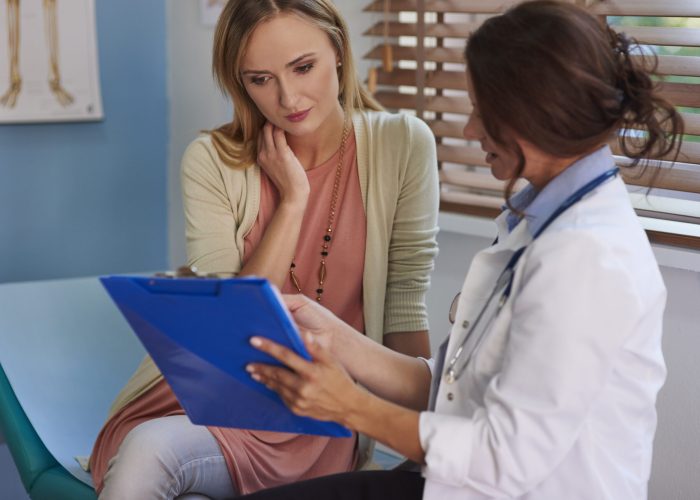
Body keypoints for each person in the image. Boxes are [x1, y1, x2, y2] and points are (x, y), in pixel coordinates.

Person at [241, 1, 684, 499]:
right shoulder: (540, 219)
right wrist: (335, 339)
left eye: (482, 112)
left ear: (536, 113)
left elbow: (504, 458)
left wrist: (348, 406)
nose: (470, 131)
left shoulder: (586, 257)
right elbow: (451, 390)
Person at [89, 0, 439, 498]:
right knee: (150, 448)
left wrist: (416, 440)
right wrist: (293, 200)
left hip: (320, 416)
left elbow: (405, 300)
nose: (288, 97)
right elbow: (229, 324)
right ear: (240, 84)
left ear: (338, 51)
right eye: (260, 79)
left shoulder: (403, 144)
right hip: (208, 402)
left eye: (303, 67)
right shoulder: (211, 161)